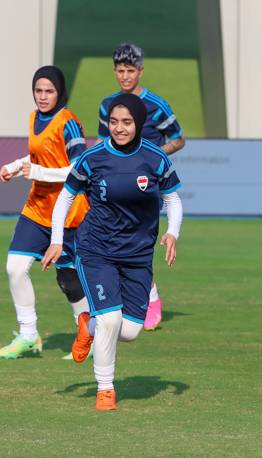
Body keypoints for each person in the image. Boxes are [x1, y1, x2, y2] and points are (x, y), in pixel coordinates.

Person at [42, 93, 183, 410]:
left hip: (138, 255)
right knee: (111, 319)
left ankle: (86, 323)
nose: (119, 128)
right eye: (114, 122)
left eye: (127, 122)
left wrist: (172, 233)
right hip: (97, 250)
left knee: (130, 331)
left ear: (138, 123)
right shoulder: (92, 158)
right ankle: (105, 388)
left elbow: (173, 199)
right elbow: (65, 198)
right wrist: (56, 239)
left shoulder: (156, 158)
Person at [0, 65, 91, 360]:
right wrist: (15, 165)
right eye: (38, 90)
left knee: (69, 279)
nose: (43, 96)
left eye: (49, 91)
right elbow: (38, 155)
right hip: (37, 209)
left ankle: (88, 334)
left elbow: (79, 168)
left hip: (69, 212)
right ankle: (28, 335)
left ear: (60, 92)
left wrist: (38, 171)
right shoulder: (34, 118)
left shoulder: (69, 122)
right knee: (15, 267)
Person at [97, 43, 186, 330]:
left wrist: (148, 158)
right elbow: (102, 144)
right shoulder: (106, 104)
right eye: (120, 71)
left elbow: (178, 138)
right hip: (112, 185)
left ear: (141, 71)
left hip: (145, 185)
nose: (125, 76)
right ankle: (138, 297)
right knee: (118, 240)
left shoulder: (156, 105)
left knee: (137, 239)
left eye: (130, 70)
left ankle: (150, 298)